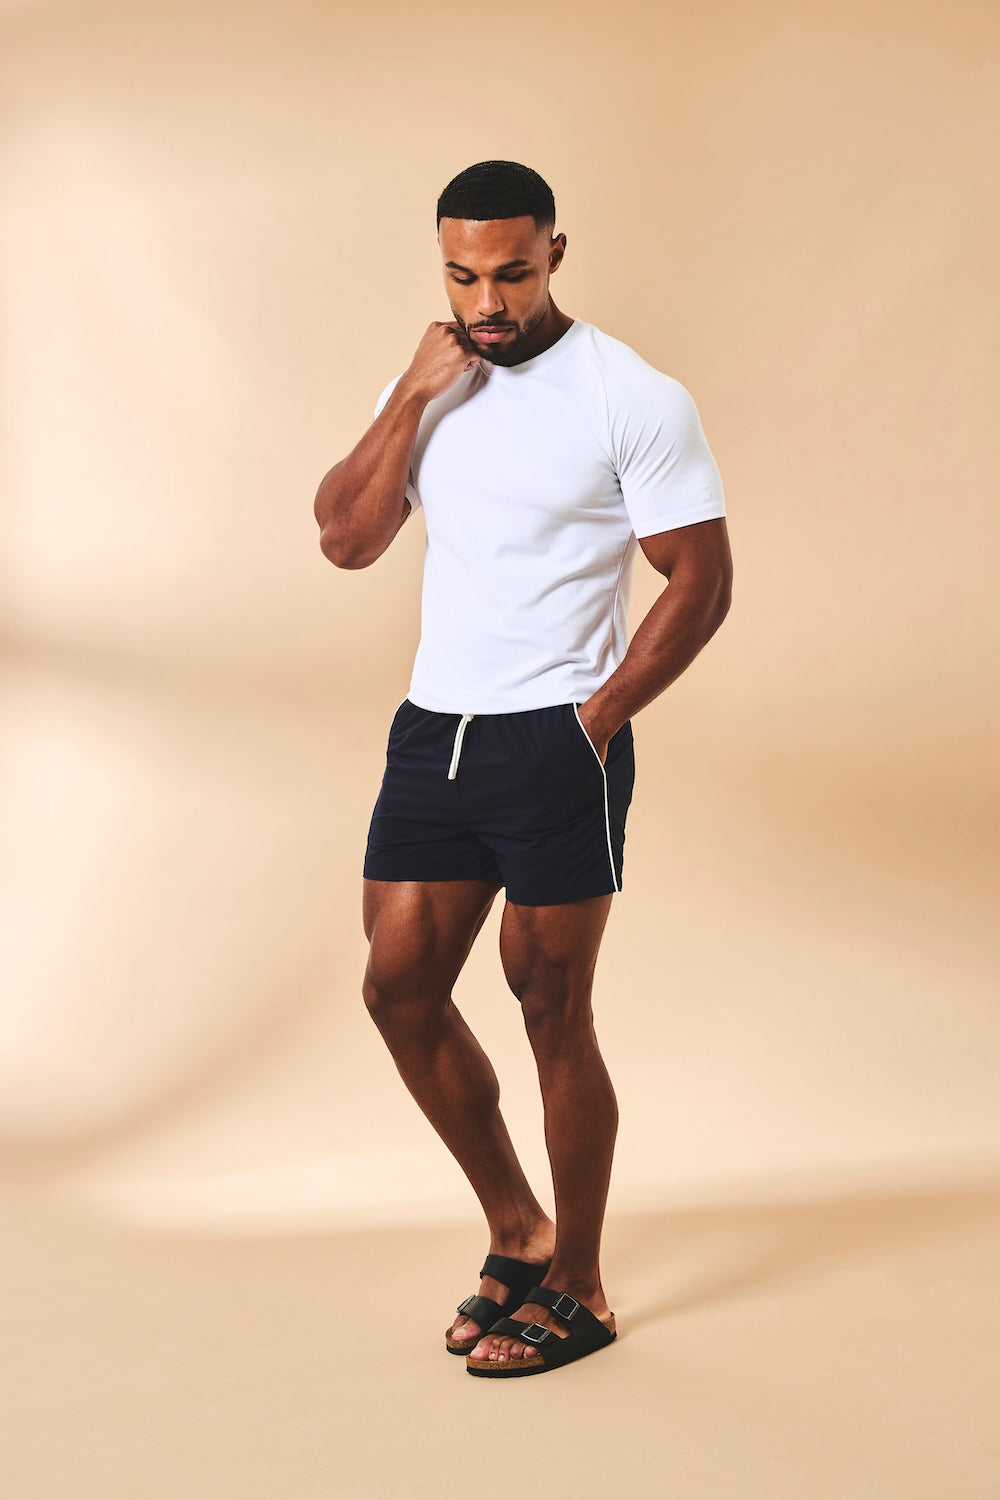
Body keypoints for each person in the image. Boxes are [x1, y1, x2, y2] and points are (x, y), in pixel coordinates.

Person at [313, 160, 732, 1378]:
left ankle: (581, 1285)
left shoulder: (628, 395)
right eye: (461, 276)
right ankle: (518, 1229)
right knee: (398, 989)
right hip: (434, 729)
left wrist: (593, 724)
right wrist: (414, 393)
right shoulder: (431, 379)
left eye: (509, 272)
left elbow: (701, 579)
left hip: (554, 733)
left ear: (554, 252)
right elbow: (345, 539)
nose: (486, 301)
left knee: (548, 1005)